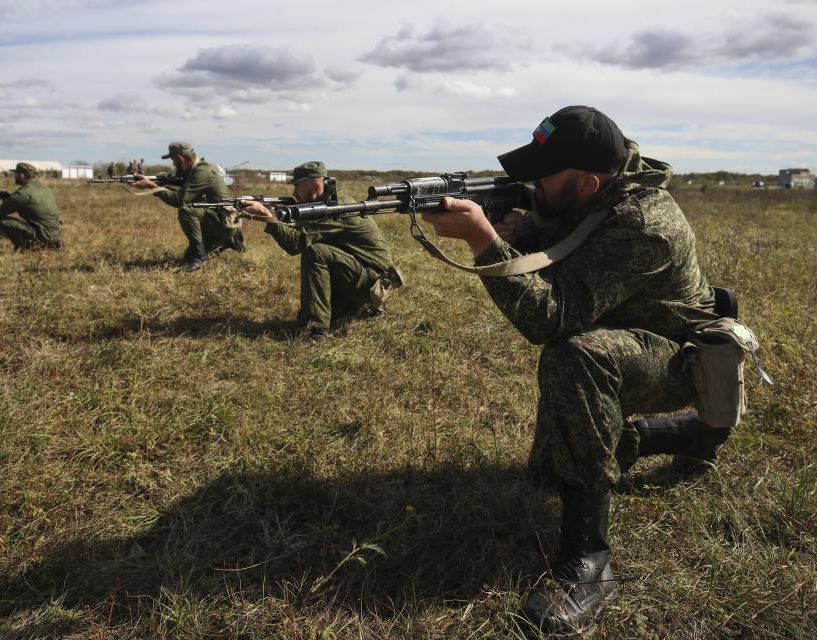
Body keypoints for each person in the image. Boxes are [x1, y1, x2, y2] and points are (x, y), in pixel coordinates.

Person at [420, 106, 728, 633]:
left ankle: (589, 561)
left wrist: (483, 240)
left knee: (576, 354)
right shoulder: (591, 196)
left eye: (544, 176)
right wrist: (522, 229)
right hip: (625, 333)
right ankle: (691, 436)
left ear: (588, 181)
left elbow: (553, 317)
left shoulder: (642, 222)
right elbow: (562, 248)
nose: (531, 184)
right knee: (549, 472)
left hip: (681, 357)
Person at [240, 161, 404, 341]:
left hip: (374, 285)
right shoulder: (328, 203)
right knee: (320, 253)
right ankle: (359, 311)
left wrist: (267, 218)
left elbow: (297, 243)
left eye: (297, 186)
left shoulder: (336, 208)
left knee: (316, 252)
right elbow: (307, 231)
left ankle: (315, 333)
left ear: (316, 185)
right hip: (365, 281)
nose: (294, 193)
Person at [131, 141, 244, 272]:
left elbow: (179, 200)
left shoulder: (201, 171)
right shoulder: (194, 169)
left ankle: (201, 258)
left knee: (187, 210)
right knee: (187, 257)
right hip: (220, 219)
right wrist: (157, 179)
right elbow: (174, 177)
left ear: (180, 159)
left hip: (223, 223)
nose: (173, 164)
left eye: (173, 160)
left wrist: (152, 187)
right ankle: (228, 240)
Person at [0, 162, 62, 251]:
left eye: (16, 174)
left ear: (22, 175)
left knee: (2, 222)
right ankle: (50, 243)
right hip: (54, 232)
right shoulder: (44, 188)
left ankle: (24, 247)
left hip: (43, 233)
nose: (15, 176)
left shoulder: (24, 193)